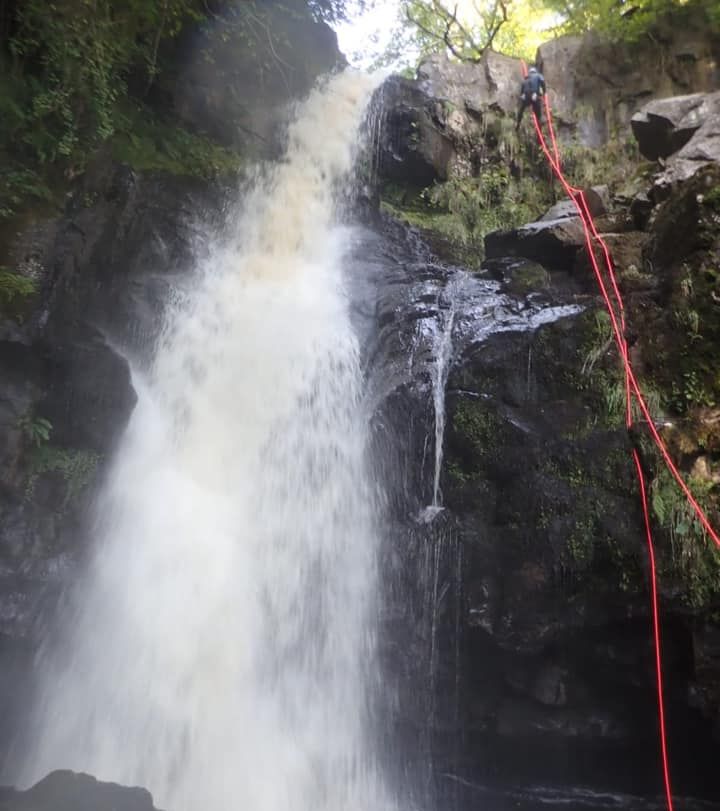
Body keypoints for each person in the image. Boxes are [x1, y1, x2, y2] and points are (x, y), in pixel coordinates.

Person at [516, 66, 546, 131]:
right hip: (534, 96)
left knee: (521, 110)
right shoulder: (538, 75)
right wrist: (544, 92)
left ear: (529, 73)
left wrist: (523, 96)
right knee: (538, 114)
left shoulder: (525, 79)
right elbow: (543, 83)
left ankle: (518, 123)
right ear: (535, 71)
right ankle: (540, 126)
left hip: (526, 97)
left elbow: (522, 92)